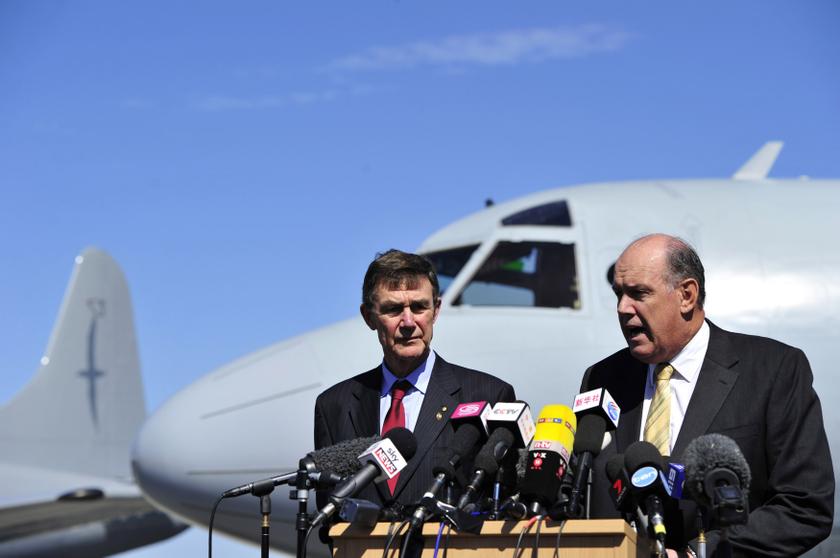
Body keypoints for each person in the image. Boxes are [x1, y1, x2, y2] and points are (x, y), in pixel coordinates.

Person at [581, 234, 833, 556]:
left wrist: (697, 553)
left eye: (638, 293)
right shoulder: (602, 378)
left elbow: (805, 505)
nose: (622, 308)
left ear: (686, 295)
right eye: (618, 294)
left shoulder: (773, 370)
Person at [314, 249, 515, 515]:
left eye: (419, 307)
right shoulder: (335, 405)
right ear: (369, 317)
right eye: (393, 309)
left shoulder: (488, 396)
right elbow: (328, 515)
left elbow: (500, 509)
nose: (408, 322)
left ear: (436, 310)